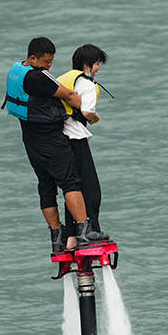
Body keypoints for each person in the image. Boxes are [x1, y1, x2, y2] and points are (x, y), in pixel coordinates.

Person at [2, 37, 111, 252]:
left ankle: (57, 235)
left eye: (51, 61)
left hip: (30, 140)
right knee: (71, 182)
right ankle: (84, 231)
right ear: (33, 58)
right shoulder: (39, 77)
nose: (49, 65)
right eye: (46, 61)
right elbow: (69, 95)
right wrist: (84, 107)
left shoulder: (17, 72)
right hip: (51, 140)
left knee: (46, 187)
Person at [55, 44, 108, 233]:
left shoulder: (63, 79)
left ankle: (72, 235)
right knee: (91, 190)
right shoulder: (87, 85)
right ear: (86, 65)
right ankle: (92, 230)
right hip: (76, 138)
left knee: (72, 188)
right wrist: (95, 118)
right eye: (97, 64)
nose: (98, 68)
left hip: (57, 138)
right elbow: (87, 112)